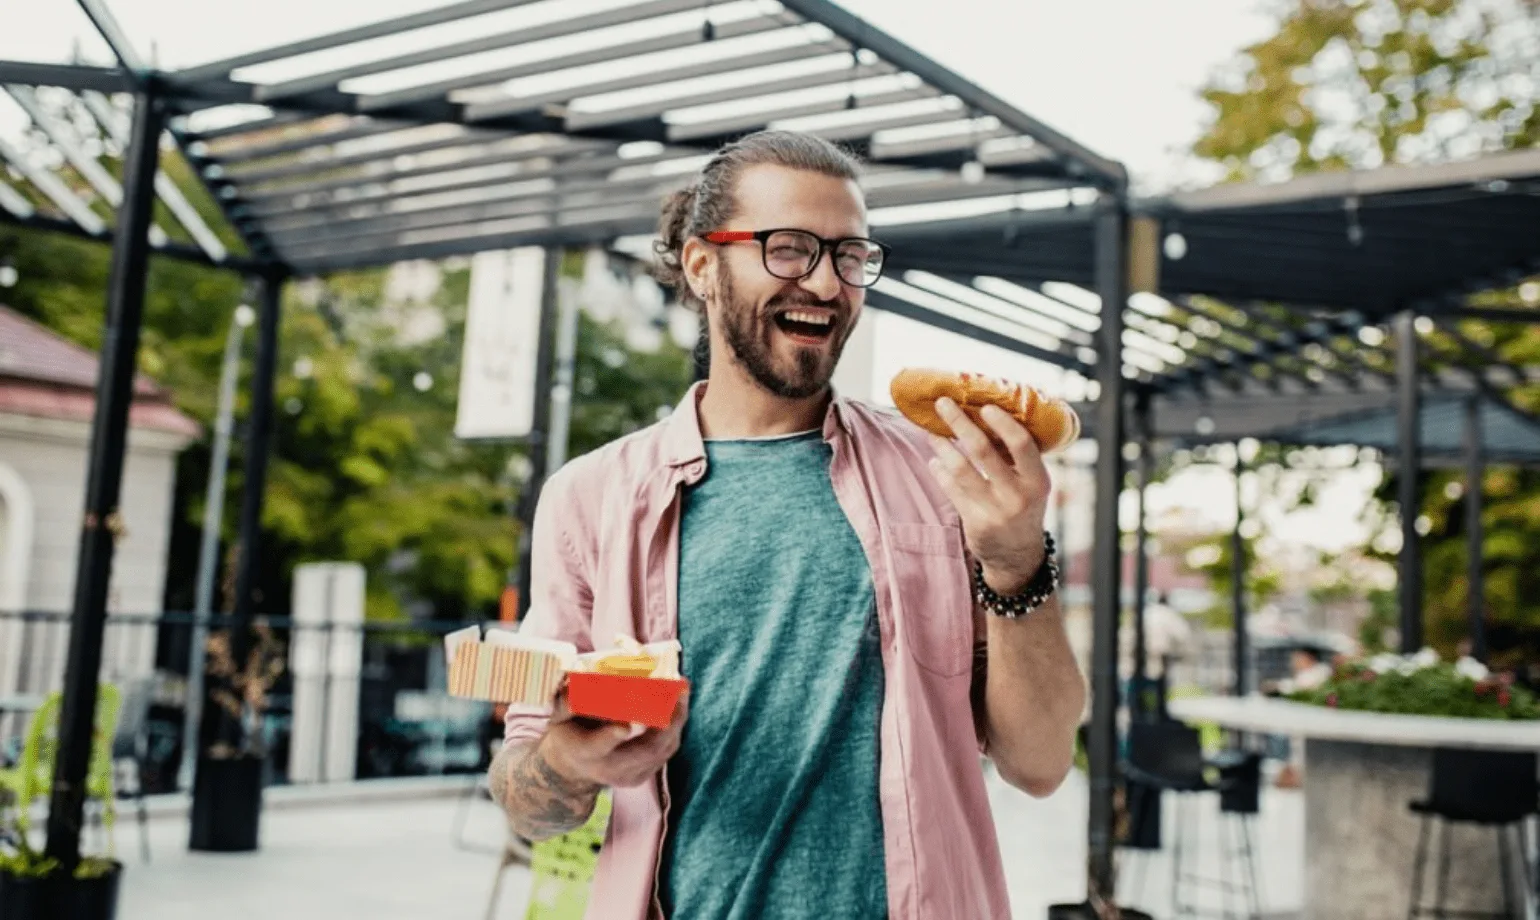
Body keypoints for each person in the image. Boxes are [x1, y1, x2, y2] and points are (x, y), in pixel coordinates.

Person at [487, 130, 1087, 920]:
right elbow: (529, 801)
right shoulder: (591, 498)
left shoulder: (941, 478)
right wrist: (568, 759)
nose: (826, 284)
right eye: (790, 248)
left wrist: (1016, 563)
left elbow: (1040, 763)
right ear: (702, 265)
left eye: (848, 256)